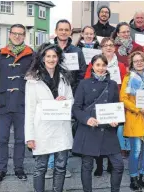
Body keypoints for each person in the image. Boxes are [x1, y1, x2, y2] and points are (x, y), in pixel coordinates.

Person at [24, 43, 73, 192]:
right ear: (42, 58)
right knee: (40, 167)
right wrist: (30, 137)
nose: (51, 59)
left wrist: (65, 101)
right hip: (42, 130)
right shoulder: (33, 79)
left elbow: (71, 99)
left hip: (61, 128)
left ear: (58, 58)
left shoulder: (65, 76)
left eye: (54, 56)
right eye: (48, 56)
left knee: (61, 166)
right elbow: (30, 109)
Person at [72, 54, 124, 192]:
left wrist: (116, 120)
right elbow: (76, 108)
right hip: (89, 130)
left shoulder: (112, 84)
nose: (101, 68)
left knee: (118, 165)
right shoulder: (84, 84)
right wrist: (86, 119)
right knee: (87, 165)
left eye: (103, 65)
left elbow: (116, 106)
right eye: (98, 65)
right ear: (92, 66)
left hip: (107, 130)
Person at [46, 19, 87, 179]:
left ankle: (62, 166)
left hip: (70, 97)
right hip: (50, 96)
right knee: (50, 130)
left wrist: (76, 95)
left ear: (70, 32)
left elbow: (82, 74)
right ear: (56, 31)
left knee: (65, 132)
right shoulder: (48, 49)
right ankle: (50, 166)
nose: (63, 32)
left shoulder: (77, 51)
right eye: (60, 29)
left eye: (66, 30)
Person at [84, 37, 128, 177]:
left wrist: (120, 106)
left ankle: (110, 162)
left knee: (112, 135)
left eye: (111, 45)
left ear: (115, 48)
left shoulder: (120, 65)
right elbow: (86, 82)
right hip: (97, 104)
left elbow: (125, 85)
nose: (108, 47)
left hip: (114, 103)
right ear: (101, 48)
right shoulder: (95, 63)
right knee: (97, 136)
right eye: (105, 45)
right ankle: (99, 165)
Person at [120, 51, 144, 191]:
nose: (139, 62)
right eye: (135, 60)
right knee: (136, 151)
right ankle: (134, 178)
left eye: (141, 60)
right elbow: (123, 98)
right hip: (135, 118)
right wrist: (138, 109)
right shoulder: (128, 77)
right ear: (132, 63)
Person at [0, 24, 33, 182]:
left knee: (20, 139)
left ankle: (19, 168)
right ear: (10, 35)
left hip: (22, 102)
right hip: (3, 102)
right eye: (14, 33)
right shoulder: (0, 54)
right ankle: (1, 169)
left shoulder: (31, 55)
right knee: (1, 139)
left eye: (21, 34)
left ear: (24, 36)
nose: (17, 36)